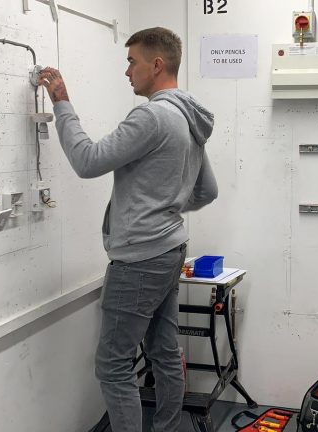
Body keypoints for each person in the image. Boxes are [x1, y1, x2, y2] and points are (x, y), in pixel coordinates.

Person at [38, 27, 218, 432]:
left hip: (140, 258)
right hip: (170, 249)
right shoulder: (188, 118)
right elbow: (207, 190)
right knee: (164, 352)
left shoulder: (151, 116)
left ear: (157, 65)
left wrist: (62, 103)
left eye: (132, 61)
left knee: (113, 364)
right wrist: (167, 205)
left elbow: (87, 161)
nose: (126, 71)